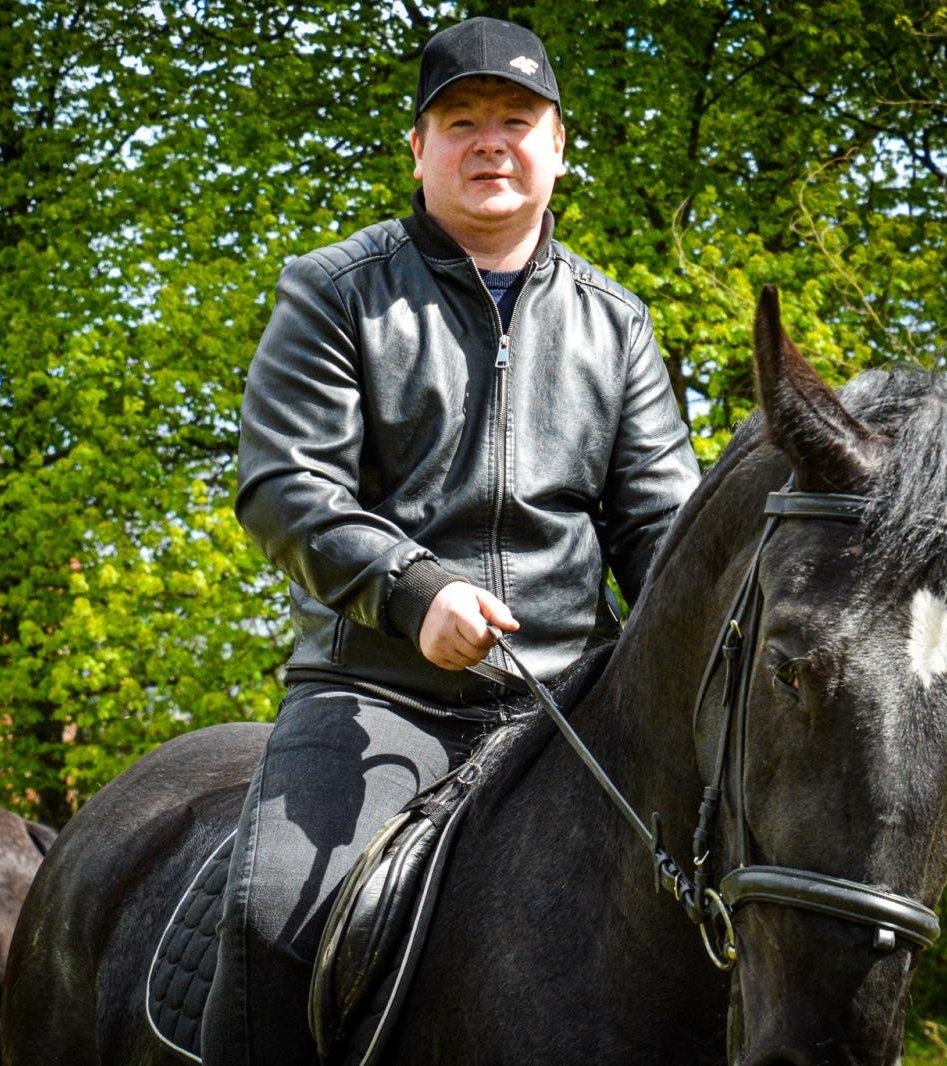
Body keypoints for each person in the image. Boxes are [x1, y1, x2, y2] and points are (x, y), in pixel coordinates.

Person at [201, 16, 700, 1064]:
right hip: (375, 691)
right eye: (460, 120)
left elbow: (662, 530)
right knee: (276, 914)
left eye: (516, 120)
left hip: (573, 707)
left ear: (559, 146)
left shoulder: (619, 323)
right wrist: (413, 590)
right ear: (417, 149)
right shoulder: (334, 289)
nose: (490, 142)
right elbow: (283, 483)